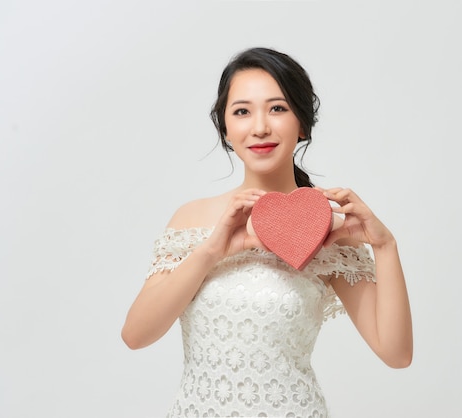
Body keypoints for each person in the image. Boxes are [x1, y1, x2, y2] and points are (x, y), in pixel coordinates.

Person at [121, 47, 413, 418]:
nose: (260, 126)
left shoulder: (329, 230)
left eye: (277, 108)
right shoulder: (192, 218)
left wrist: (385, 246)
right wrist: (212, 251)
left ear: (302, 123)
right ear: (226, 129)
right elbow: (136, 335)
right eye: (242, 111)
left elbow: (396, 353)